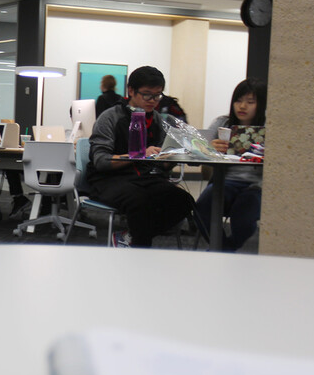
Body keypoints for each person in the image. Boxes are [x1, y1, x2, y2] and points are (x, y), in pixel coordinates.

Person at [81, 65, 195, 248]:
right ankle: (140, 248)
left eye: (158, 95)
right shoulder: (110, 117)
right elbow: (101, 161)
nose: (153, 101)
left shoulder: (157, 119)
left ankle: (132, 237)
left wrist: (172, 157)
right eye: (147, 94)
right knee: (139, 201)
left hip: (144, 177)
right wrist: (140, 154)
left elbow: (160, 165)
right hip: (109, 179)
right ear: (131, 91)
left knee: (184, 200)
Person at [195, 78, 267, 251]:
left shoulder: (268, 126)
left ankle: (224, 250)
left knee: (244, 216)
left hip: (256, 185)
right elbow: (197, 146)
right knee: (202, 208)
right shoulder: (223, 123)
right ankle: (222, 249)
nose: (242, 106)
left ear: (262, 104)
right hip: (224, 181)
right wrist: (210, 148)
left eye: (250, 102)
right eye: (238, 100)